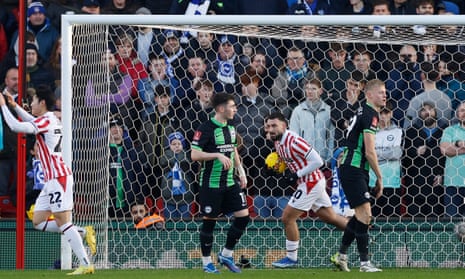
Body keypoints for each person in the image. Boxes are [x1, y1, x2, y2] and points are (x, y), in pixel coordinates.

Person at [0, 85, 95, 275]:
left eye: (33, 101)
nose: (31, 104)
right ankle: (82, 232)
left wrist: (2, 106)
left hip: (59, 178)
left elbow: (16, 126)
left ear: (42, 103)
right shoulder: (48, 119)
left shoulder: (47, 121)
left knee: (63, 221)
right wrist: (13, 106)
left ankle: (86, 264)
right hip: (51, 180)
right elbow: (31, 120)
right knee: (39, 222)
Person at [264, 111, 347, 268]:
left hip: (310, 182)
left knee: (287, 218)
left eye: (274, 125)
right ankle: (361, 233)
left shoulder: (294, 140)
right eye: (268, 126)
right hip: (311, 182)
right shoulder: (277, 141)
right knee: (331, 218)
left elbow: (318, 161)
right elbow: (288, 158)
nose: (270, 129)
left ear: (284, 125)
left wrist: (296, 174)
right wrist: (275, 166)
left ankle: (291, 258)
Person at [331, 79, 386, 273]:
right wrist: (380, 177)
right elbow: (370, 151)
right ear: (369, 95)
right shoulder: (370, 114)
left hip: (354, 168)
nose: (384, 95)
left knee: (359, 215)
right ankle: (364, 264)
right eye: (380, 92)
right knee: (366, 215)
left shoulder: (363, 111)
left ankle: (341, 256)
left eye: (385, 92)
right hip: (353, 168)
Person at [190, 93, 249, 274]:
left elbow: (232, 149)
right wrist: (216, 155)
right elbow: (194, 154)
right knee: (210, 223)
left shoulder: (230, 126)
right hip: (211, 184)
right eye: (232, 106)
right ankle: (207, 262)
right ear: (221, 109)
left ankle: (226, 254)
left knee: (243, 216)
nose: (235, 109)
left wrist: (241, 172)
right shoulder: (206, 128)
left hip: (230, 181)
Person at [403, 101, 446, 217]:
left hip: (436, 186)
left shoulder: (445, 131)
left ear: (436, 112)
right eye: (423, 110)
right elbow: (403, 157)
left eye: (430, 109)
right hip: (415, 186)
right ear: (419, 114)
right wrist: (415, 152)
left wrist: (443, 175)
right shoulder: (411, 131)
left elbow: (449, 158)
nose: (427, 112)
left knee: (435, 224)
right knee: (415, 224)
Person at [368, 101, 403, 218]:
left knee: (392, 222)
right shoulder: (369, 131)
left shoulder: (398, 131)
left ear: (391, 114)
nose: (383, 116)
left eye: (386, 112)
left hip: (391, 182)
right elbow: (367, 153)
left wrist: (375, 152)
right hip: (372, 182)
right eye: (380, 113)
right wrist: (387, 152)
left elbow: (397, 153)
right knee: (371, 219)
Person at [289, 78, 334, 165]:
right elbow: (293, 137)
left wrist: (329, 159)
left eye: (313, 88)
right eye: (307, 88)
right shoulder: (298, 111)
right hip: (304, 160)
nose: (310, 91)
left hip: (323, 160)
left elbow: (331, 136)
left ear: (320, 91)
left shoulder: (328, 111)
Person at [160, 131, 195, 219]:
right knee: (170, 222)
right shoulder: (165, 155)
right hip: (169, 197)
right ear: (169, 145)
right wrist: (176, 158)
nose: (176, 146)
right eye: (173, 144)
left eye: (179, 143)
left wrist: (178, 157)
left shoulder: (188, 155)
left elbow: (186, 163)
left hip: (185, 198)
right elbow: (164, 162)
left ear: (183, 145)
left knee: (184, 221)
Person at [440, 102, 465, 217]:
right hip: (453, 183)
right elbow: (445, 150)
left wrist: (454, 147)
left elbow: (450, 150)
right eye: (462, 110)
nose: (464, 113)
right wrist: (458, 143)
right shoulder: (449, 130)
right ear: (457, 114)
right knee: (451, 223)